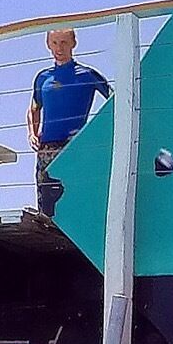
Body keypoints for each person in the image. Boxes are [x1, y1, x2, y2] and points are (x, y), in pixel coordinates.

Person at [28, 25, 110, 215]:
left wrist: (98, 131)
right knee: (47, 202)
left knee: (76, 196)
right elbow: (34, 108)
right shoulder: (43, 78)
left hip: (75, 145)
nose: (59, 48)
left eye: (64, 42)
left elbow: (115, 99)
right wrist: (32, 133)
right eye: (55, 43)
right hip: (48, 147)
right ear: (48, 44)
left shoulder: (87, 74)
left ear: (74, 43)